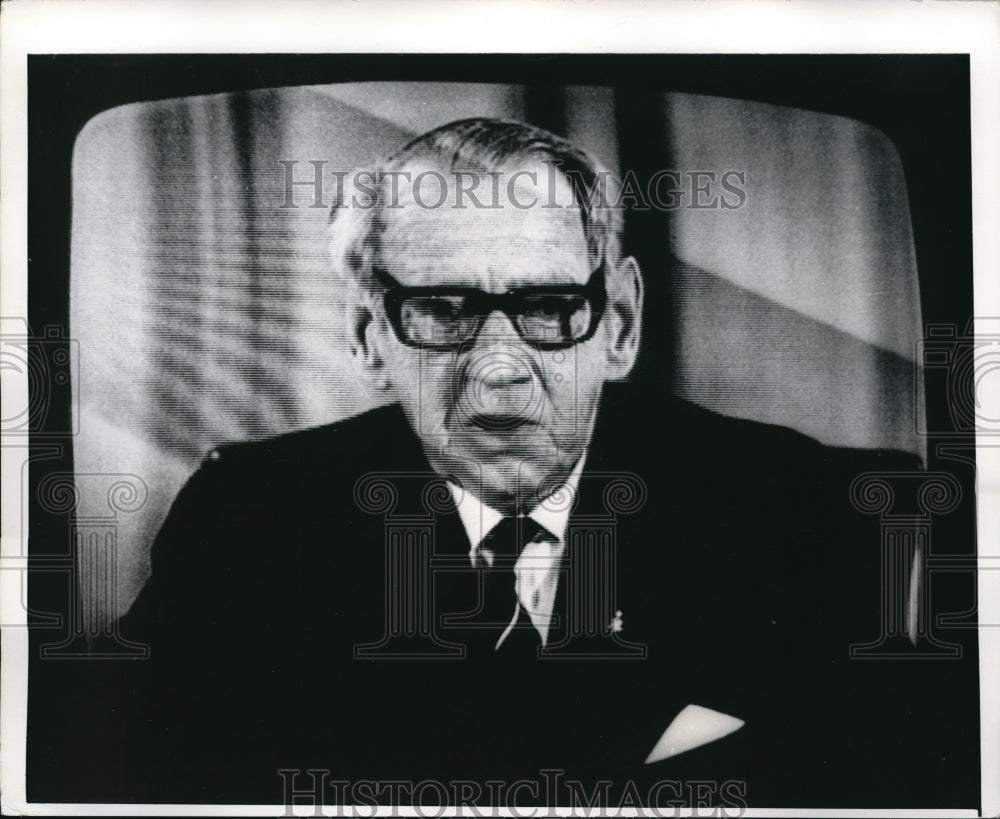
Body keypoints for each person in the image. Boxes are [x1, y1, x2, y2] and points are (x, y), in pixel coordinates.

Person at [116, 118, 975, 808]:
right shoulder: (246, 520)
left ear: (622, 323)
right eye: (442, 309)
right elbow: (136, 776)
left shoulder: (802, 511)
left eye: (549, 306)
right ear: (368, 336)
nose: (497, 365)